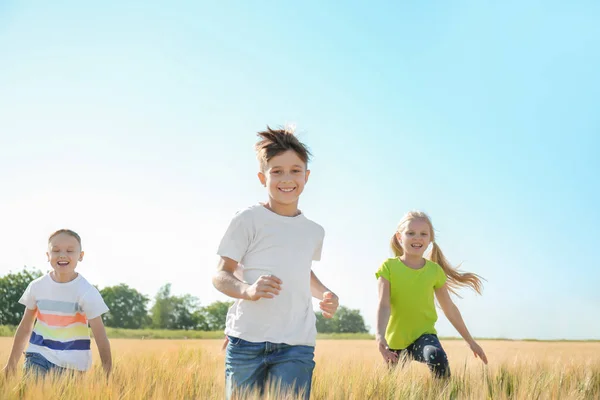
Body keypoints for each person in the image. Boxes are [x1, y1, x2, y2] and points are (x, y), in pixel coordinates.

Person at [213, 126, 339, 399]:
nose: (287, 178)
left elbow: (301, 270)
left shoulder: (314, 231)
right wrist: (247, 291)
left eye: (295, 170)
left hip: (297, 343)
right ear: (262, 177)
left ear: (306, 176)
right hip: (247, 340)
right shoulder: (248, 219)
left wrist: (325, 294)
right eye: (277, 171)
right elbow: (221, 275)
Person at [376, 211, 487, 378]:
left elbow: (449, 308)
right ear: (399, 237)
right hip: (395, 340)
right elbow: (384, 305)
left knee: (437, 356)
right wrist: (380, 336)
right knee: (391, 388)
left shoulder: (434, 271)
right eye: (410, 233)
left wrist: (470, 341)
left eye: (423, 234)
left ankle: (444, 394)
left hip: (424, 336)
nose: (417, 238)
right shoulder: (388, 267)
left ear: (430, 239)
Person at [3, 229, 112, 378]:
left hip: (73, 364)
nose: (62, 255)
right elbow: (25, 327)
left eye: (70, 250)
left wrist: (108, 371)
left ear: (81, 256)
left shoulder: (87, 292)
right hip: (38, 355)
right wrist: (11, 364)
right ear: (48, 256)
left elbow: (100, 335)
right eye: (56, 250)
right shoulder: (37, 286)